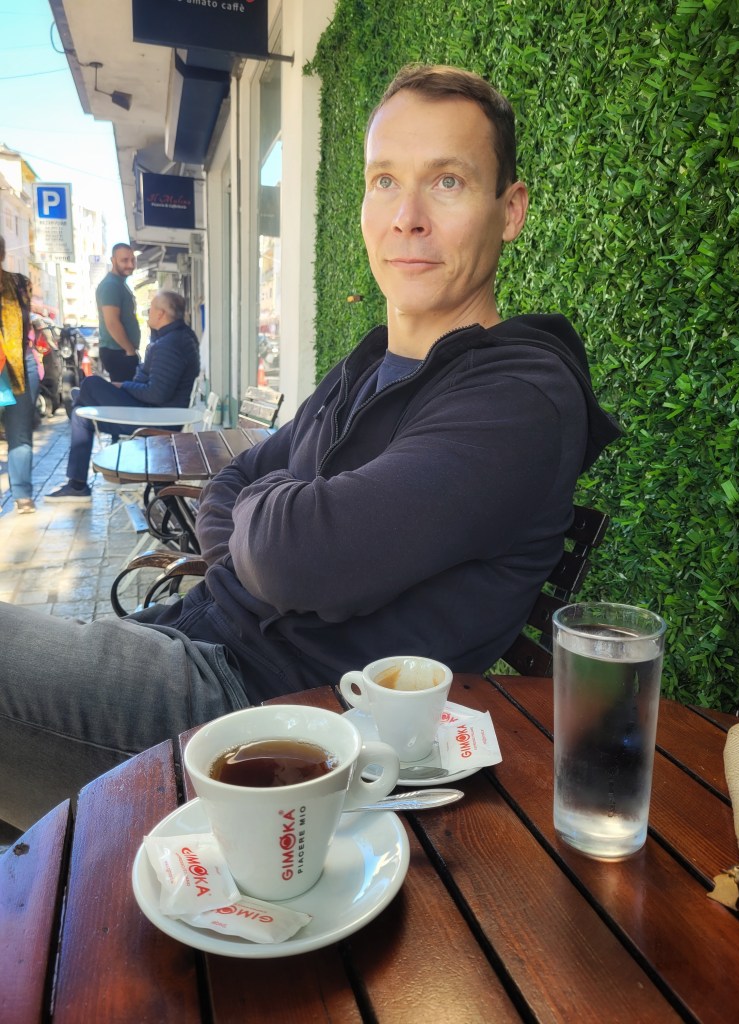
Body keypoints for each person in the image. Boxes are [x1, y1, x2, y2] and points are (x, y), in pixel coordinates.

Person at [0, 63, 620, 830]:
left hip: (270, 721)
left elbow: (293, 555)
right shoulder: (366, 366)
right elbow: (233, 487)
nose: (408, 217)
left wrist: (266, 530)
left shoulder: (519, 398)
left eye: (448, 182)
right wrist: (263, 532)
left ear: (510, 209)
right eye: (385, 181)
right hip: (197, 641)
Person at [46, 289, 200, 501]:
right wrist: (125, 385)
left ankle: (82, 398)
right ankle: (77, 485)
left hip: (157, 418)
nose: (147, 314)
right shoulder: (174, 338)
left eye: (150, 309)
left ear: (161, 314)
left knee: (91, 384)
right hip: (154, 412)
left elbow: (156, 394)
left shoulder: (171, 344)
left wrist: (123, 386)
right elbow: (150, 384)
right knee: (81, 415)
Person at [0, 234, 39, 514]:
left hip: (19, 364)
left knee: (20, 434)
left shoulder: (20, 283)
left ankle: (23, 494)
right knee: (20, 435)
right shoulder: (19, 283)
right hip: (16, 363)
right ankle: (22, 495)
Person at [95, 242, 141, 382]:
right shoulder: (111, 286)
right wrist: (129, 350)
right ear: (113, 260)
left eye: (132, 260)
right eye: (124, 260)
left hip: (120, 351)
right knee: (125, 393)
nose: (130, 265)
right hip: (117, 351)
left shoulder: (118, 284)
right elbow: (112, 322)